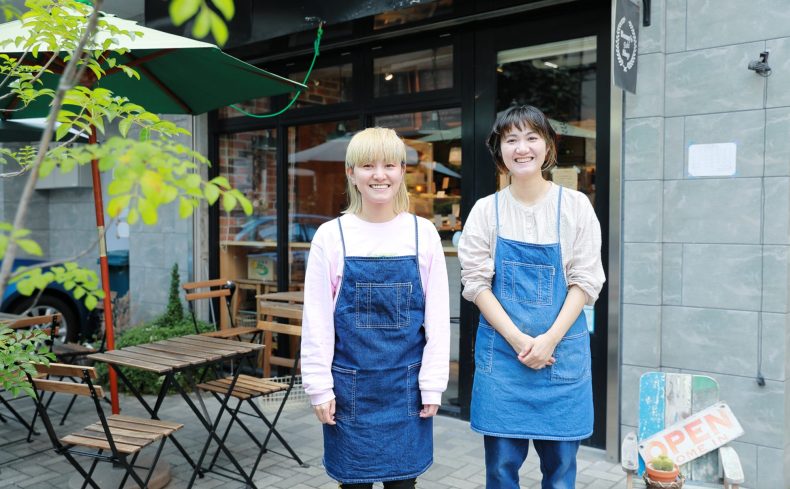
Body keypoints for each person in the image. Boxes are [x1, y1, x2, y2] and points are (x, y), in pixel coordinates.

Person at [457, 105, 605, 489]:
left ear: (548, 145)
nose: (521, 148)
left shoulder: (575, 207)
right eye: (511, 140)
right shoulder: (486, 211)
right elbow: (475, 284)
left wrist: (548, 340)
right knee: (501, 472)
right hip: (504, 361)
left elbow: (586, 282)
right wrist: (520, 340)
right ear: (499, 150)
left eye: (531, 137)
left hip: (561, 358)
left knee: (560, 475)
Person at [301, 127, 450, 489]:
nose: (379, 175)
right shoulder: (331, 236)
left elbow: (437, 321)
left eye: (389, 165)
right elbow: (317, 322)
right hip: (351, 391)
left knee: (404, 485)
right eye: (367, 165)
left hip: (407, 389)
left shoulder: (422, 233)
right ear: (351, 173)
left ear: (402, 171)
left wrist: (432, 385)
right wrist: (319, 388)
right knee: (353, 484)